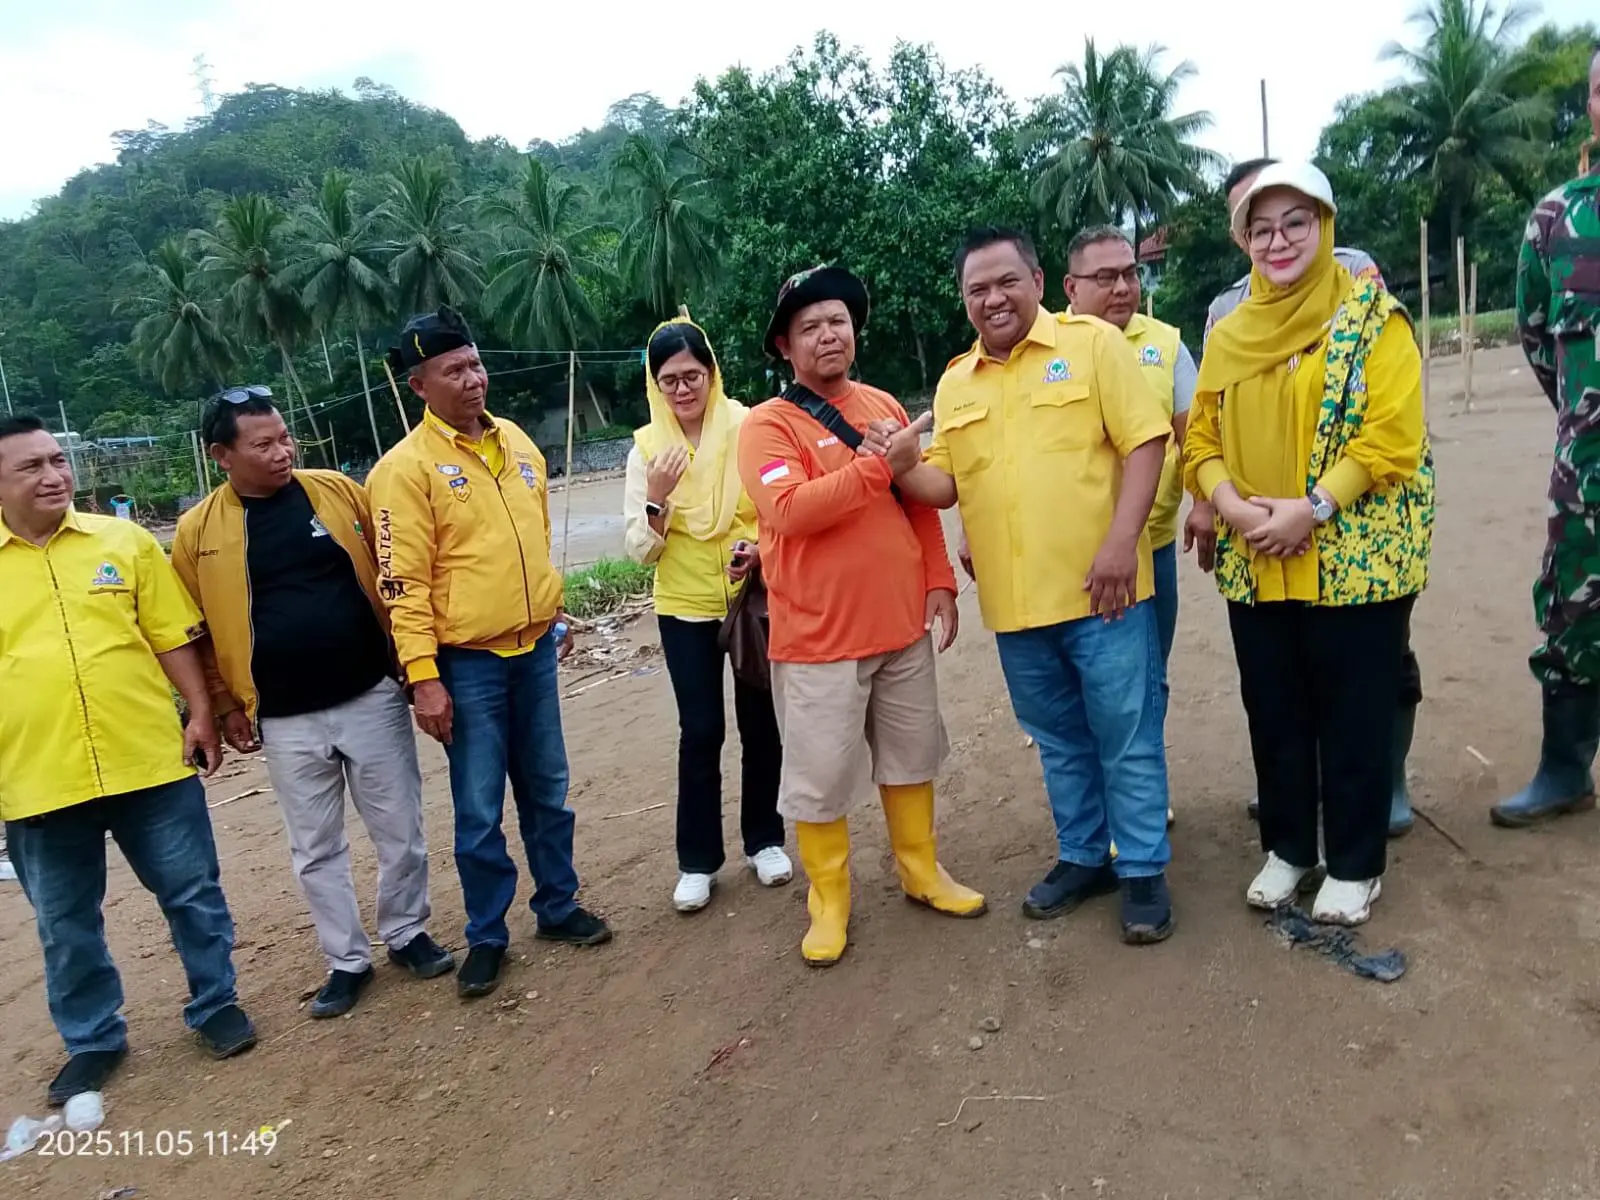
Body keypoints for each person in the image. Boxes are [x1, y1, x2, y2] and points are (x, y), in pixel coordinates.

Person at [891, 228, 1177, 944]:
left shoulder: (1092, 346)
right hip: (1017, 607)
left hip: (1104, 593)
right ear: (964, 302)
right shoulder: (958, 382)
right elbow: (944, 484)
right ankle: (1085, 856)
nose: (993, 298)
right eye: (977, 290)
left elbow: (1146, 441)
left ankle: (1142, 869)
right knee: (1058, 739)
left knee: (1127, 735)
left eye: (1006, 282)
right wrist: (899, 466)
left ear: (1040, 281)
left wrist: (1121, 543)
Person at [1185, 161, 1433, 926]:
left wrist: (1314, 507)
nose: (1278, 240)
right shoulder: (1231, 332)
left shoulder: (1371, 317)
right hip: (1256, 557)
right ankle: (1290, 848)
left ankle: (1356, 864)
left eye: (1296, 222)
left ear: (1325, 226)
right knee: (1276, 709)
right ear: (1244, 241)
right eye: (1260, 228)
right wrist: (1228, 501)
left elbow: (1394, 434)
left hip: (1350, 556)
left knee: (1354, 711)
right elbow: (1200, 432)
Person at [172, 386, 454, 1019]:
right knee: (315, 848)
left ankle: (406, 932)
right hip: (284, 717)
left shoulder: (335, 492)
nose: (283, 452)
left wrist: (413, 664)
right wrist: (224, 706)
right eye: (263, 444)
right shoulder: (198, 533)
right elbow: (196, 630)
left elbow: (391, 568)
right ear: (221, 454)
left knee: (400, 830)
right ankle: (347, 961)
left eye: (285, 437)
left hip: (370, 695)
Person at [0, 413, 256, 1106]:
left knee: (192, 893)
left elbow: (172, 636)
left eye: (58, 460)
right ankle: (92, 1040)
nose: (54, 475)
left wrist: (201, 712)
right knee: (65, 922)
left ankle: (216, 1004)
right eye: (32, 467)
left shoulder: (124, 542)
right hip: (37, 778)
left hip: (149, 759)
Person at [736, 265, 985, 967]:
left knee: (911, 756)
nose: (828, 335)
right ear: (784, 345)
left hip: (902, 627)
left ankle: (920, 869)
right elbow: (791, 512)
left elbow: (917, 503)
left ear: (855, 330)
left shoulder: (881, 403)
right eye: (809, 327)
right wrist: (882, 463)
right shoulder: (767, 426)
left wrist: (938, 581)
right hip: (818, 640)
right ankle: (830, 898)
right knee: (818, 777)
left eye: (838, 321)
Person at [367, 307, 611, 1000]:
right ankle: (487, 936)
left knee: (548, 790)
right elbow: (402, 586)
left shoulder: (520, 447)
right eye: (454, 370)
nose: (474, 379)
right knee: (478, 809)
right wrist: (423, 679)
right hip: (465, 667)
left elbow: (533, 543)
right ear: (420, 385)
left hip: (533, 653)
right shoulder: (405, 472)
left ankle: (558, 907)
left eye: (475, 364)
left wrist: (552, 610)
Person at [623, 320, 791, 912]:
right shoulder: (646, 449)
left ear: (711, 372)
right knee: (700, 731)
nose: (682, 389)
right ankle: (697, 861)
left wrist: (761, 550)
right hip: (684, 607)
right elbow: (639, 550)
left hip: (749, 598)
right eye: (669, 380)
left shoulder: (749, 427)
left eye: (692, 375)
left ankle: (764, 838)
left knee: (761, 721)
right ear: (656, 384)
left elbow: (775, 508)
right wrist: (657, 497)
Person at [1494, 53, 1600, 828]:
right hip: (1588, 477)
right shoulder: (1557, 219)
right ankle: (1564, 770)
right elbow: (1536, 339)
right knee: (1573, 613)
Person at [1062, 226, 1197, 827]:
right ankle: (1095, 806)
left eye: (1130, 274)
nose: (1122, 287)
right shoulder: (1044, 346)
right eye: (1105, 277)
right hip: (1065, 552)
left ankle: (1142, 798)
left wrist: (1208, 504)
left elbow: (1193, 437)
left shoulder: (1166, 345)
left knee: (1145, 683)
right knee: (1077, 691)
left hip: (1152, 547)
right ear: (1070, 287)